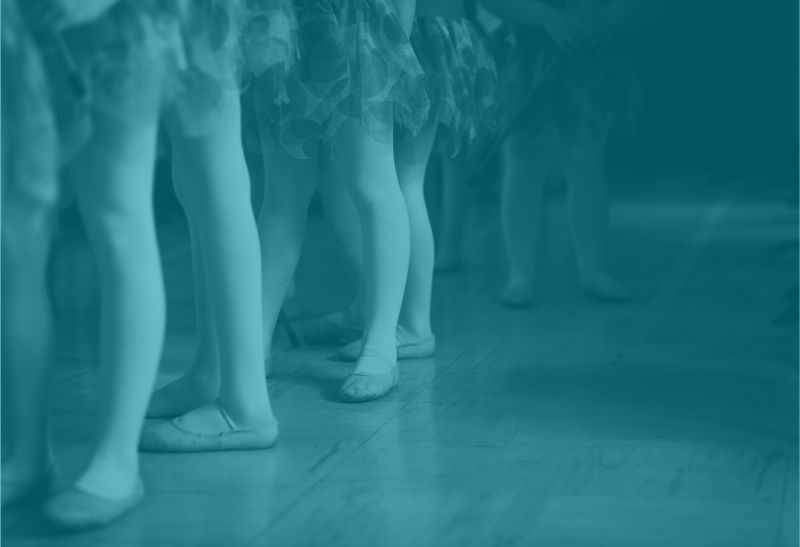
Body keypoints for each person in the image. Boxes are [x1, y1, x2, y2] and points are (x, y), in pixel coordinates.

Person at [256, 0, 427, 402]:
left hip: (355, 17)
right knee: (282, 194)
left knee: (372, 182)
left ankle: (380, 346)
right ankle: (252, 345)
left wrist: (396, 37)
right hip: (282, 19)